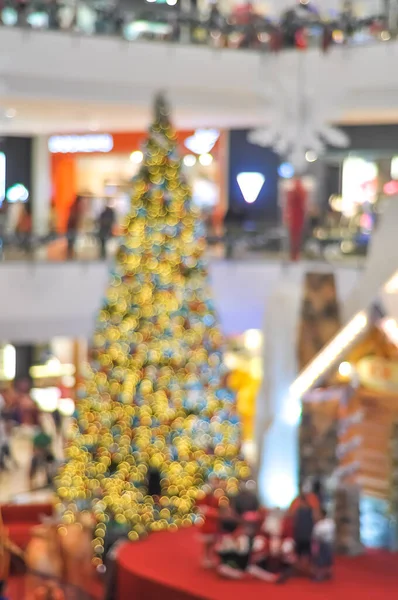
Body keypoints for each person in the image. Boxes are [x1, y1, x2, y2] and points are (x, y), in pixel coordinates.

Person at [312, 509, 335, 581]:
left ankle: (320, 575)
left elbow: (316, 535)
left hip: (323, 543)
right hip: (327, 542)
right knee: (326, 558)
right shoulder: (330, 522)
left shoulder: (321, 524)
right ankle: (327, 573)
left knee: (321, 559)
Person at [66, 196, 83, 260]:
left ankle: (70, 254)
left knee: (71, 242)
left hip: (72, 227)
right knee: (71, 241)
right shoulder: (75, 207)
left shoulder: (75, 207)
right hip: (72, 227)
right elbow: (74, 218)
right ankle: (70, 255)